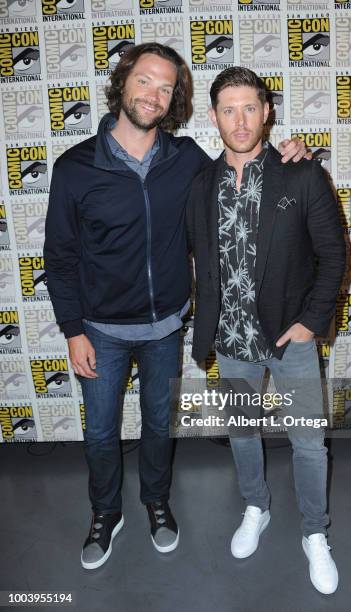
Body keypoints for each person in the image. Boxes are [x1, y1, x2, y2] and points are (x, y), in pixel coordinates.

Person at [43, 44, 309, 570]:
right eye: (145, 81)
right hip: (100, 330)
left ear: (175, 99)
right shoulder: (74, 168)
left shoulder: (184, 159)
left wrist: (287, 153)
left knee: (160, 427)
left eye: (166, 87)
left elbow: (242, 168)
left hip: (166, 326)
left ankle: (157, 502)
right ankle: (105, 512)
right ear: (123, 84)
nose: (154, 94)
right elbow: (60, 255)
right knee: (99, 432)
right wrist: (73, 329)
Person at [186, 67, 346, 595]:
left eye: (249, 107)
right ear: (213, 116)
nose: (239, 120)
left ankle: (314, 534)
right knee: (242, 432)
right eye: (228, 109)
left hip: (289, 338)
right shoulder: (201, 183)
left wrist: (310, 322)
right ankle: (256, 507)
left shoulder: (300, 175)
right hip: (231, 342)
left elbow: (333, 256)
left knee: (307, 443)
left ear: (267, 112)